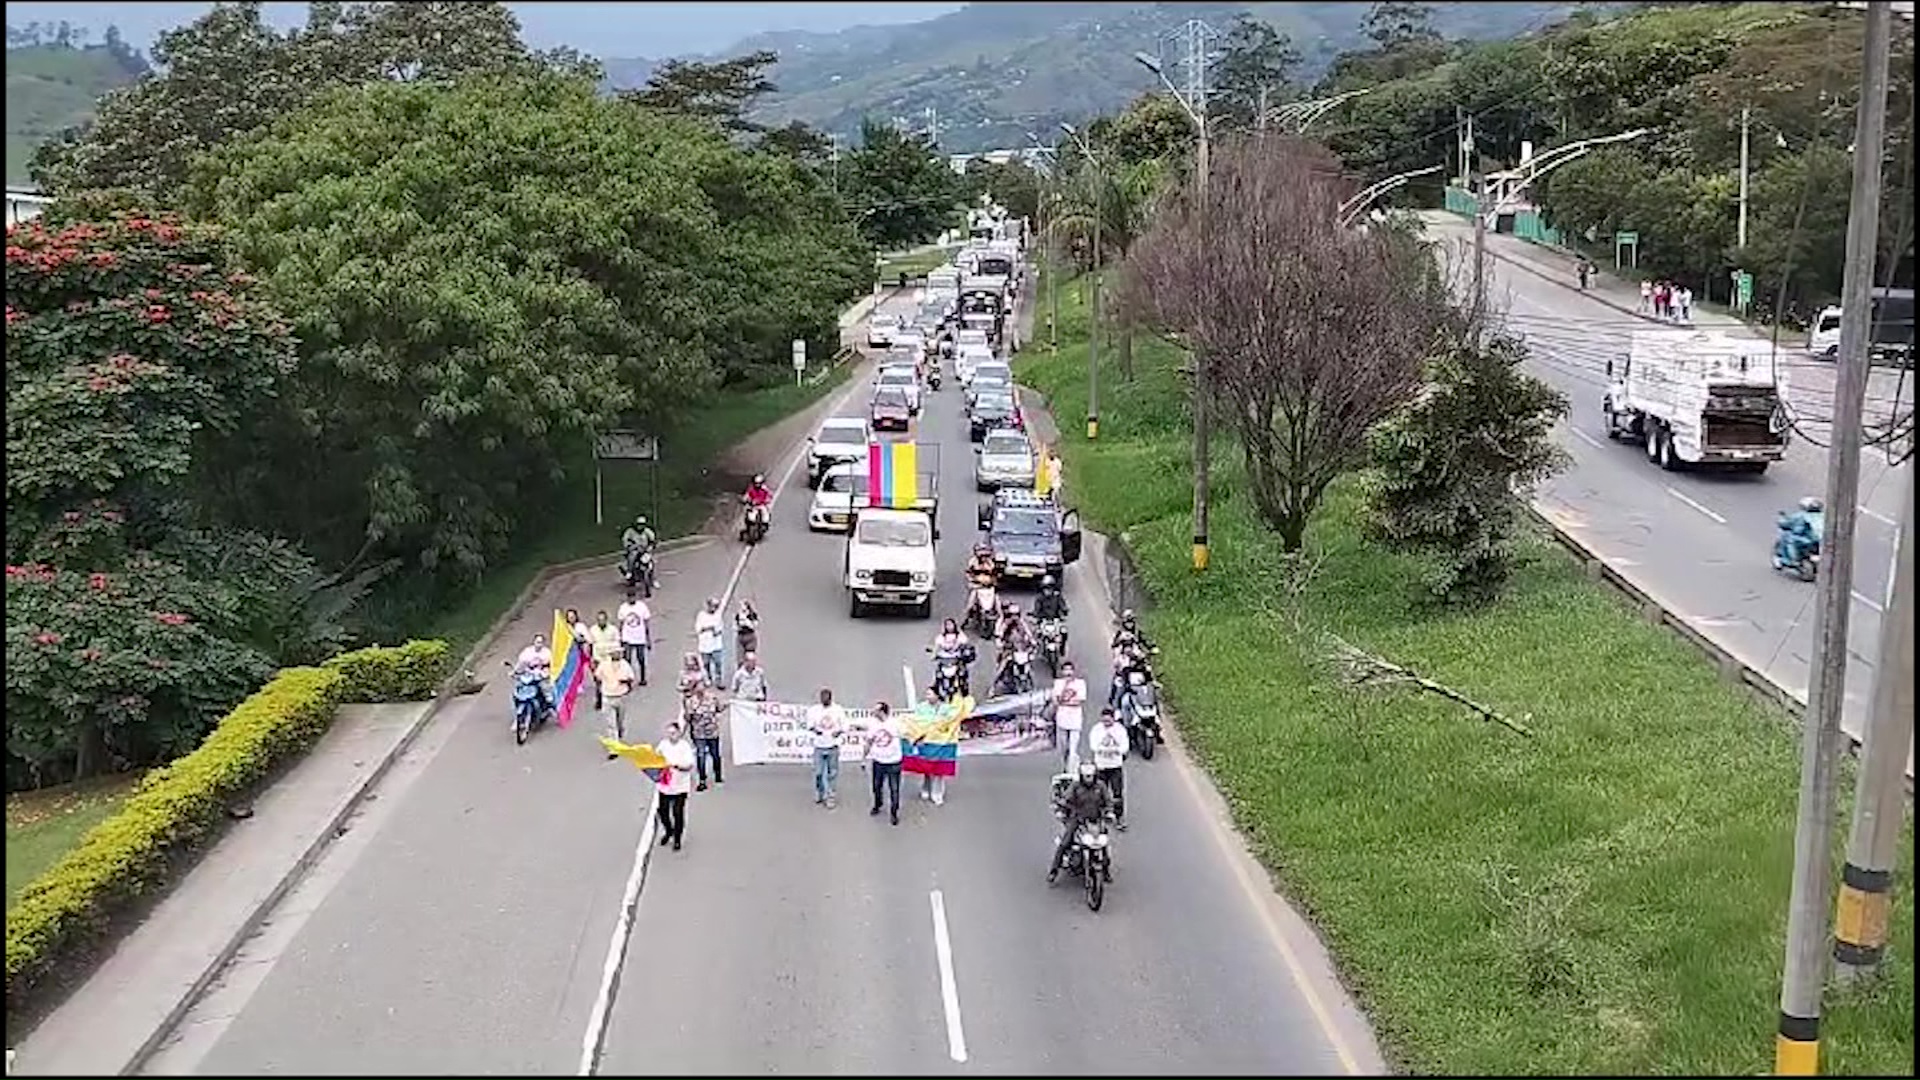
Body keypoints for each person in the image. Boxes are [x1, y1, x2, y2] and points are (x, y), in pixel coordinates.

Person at [1048, 759, 1114, 884]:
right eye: (1086, 776)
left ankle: (1106, 870)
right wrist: (1062, 808)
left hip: (1096, 820)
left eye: (1091, 776)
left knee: (1104, 844)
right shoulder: (1075, 786)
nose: (1089, 779)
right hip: (1077, 819)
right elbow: (1066, 799)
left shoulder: (1101, 786)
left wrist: (1110, 813)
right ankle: (1054, 871)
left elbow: (1108, 801)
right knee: (1065, 842)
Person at [858, 701, 905, 825]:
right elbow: (868, 742)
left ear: (882, 712)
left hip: (894, 762)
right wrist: (863, 758)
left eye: (876, 710)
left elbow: (906, 736)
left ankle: (894, 813)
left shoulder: (895, 724)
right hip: (878, 761)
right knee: (876, 786)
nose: (873, 712)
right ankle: (878, 804)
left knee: (894, 788)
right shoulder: (873, 725)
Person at [654, 720, 696, 852]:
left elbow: (689, 765)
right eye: (669, 733)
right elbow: (656, 758)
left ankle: (677, 838)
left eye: (673, 733)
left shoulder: (684, 747)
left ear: (679, 733)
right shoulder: (663, 745)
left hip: (680, 786)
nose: (671, 736)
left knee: (678, 813)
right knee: (663, 812)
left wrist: (677, 766)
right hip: (665, 785)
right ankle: (669, 830)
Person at [1087, 706, 1131, 830]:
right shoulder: (1096, 730)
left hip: (1115, 766)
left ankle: (1119, 818)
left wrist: (1114, 750)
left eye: (1108, 721)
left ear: (1113, 719)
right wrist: (1107, 750)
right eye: (1104, 721)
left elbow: (1124, 747)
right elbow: (1094, 746)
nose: (1106, 723)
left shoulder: (1120, 730)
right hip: (1101, 766)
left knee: (1117, 793)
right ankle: (1099, 816)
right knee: (1099, 793)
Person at [807, 687, 845, 808]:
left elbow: (844, 726)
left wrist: (838, 732)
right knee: (818, 772)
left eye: (827, 699)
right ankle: (820, 792)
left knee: (832, 773)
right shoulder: (814, 710)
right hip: (819, 745)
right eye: (823, 698)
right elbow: (809, 725)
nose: (825, 700)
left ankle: (830, 796)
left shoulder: (838, 710)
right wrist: (815, 730)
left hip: (833, 746)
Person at [597, 644, 638, 752]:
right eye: (615, 652)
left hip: (621, 696)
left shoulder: (625, 665)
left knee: (619, 720)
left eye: (619, 652)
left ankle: (620, 731)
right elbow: (598, 676)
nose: (618, 654)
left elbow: (631, 678)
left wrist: (625, 682)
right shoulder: (604, 665)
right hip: (607, 696)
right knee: (611, 724)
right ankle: (614, 747)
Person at [915, 686, 950, 806]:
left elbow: (950, 725)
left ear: (937, 695)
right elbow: (917, 723)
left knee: (939, 769)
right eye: (926, 694)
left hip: (941, 742)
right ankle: (926, 787)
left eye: (930, 694)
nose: (927, 697)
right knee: (927, 767)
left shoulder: (946, 708)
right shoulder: (921, 707)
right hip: (926, 742)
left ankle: (937, 794)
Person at [685, 681, 724, 790]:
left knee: (715, 754)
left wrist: (728, 705)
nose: (701, 689)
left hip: (712, 731)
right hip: (699, 732)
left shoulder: (712, 698)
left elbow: (719, 709)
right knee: (701, 755)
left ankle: (718, 773)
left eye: (702, 687)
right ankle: (702, 779)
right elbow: (688, 718)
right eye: (698, 687)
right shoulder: (691, 702)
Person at [1051, 659, 1088, 772]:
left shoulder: (1080, 683)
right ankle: (1066, 764)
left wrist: (1064, 702)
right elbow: (1056, 700)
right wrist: (1065, 687)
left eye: (1070, 670)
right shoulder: (1058, 683)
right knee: (1063, 748)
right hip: (1062, 718)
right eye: (1065, 670)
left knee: (1073, 748)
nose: (1068, 672)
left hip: (1075, 719)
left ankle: (1071, 769)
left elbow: (1079, 701)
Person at [1775, 496, 1825, 569]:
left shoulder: (1800, 516)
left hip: (1804, 539)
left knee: (1786, 536)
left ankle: (1788, 560)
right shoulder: (1823, 515)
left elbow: (1786, 523)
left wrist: (1781, 519)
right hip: (1820, 540)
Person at [616, 591, 651, 686]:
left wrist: (648, 639)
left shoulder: (642, 607)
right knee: (627, 660)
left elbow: (646, 622)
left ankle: (643, 678)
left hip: (639, 637)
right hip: (627, 637)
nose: (631, 599)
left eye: (633, 597)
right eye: (629, 597)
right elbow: (621, 623)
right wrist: (620, 638)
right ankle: (628, 679)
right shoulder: (623, 608)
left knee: (641, 659)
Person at [513, 633, 554, 714]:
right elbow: (521, 663)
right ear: (534, 642)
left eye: (541, 642)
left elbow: (551, 665)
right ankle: (517, 712)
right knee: (518, 688)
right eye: (537, 642)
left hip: (541, 676)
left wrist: (545, 673)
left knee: (546, 691)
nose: (539, 644)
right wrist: (514, 672)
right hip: (528, 675)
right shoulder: (527, 652)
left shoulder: (547, 653)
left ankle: (550, 708)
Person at [694, 597, 725, 686]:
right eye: (712, 606)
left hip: (716, 644)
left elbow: (719, 629)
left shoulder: (717, 616)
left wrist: (713, 629)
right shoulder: (701, 616)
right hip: (704, 645)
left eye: (716, 607)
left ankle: (719, 680)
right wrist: (708, 628)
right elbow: (699, 629)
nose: (714, 609)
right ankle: (708, 678)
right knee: (706, 663)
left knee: (718, 663)